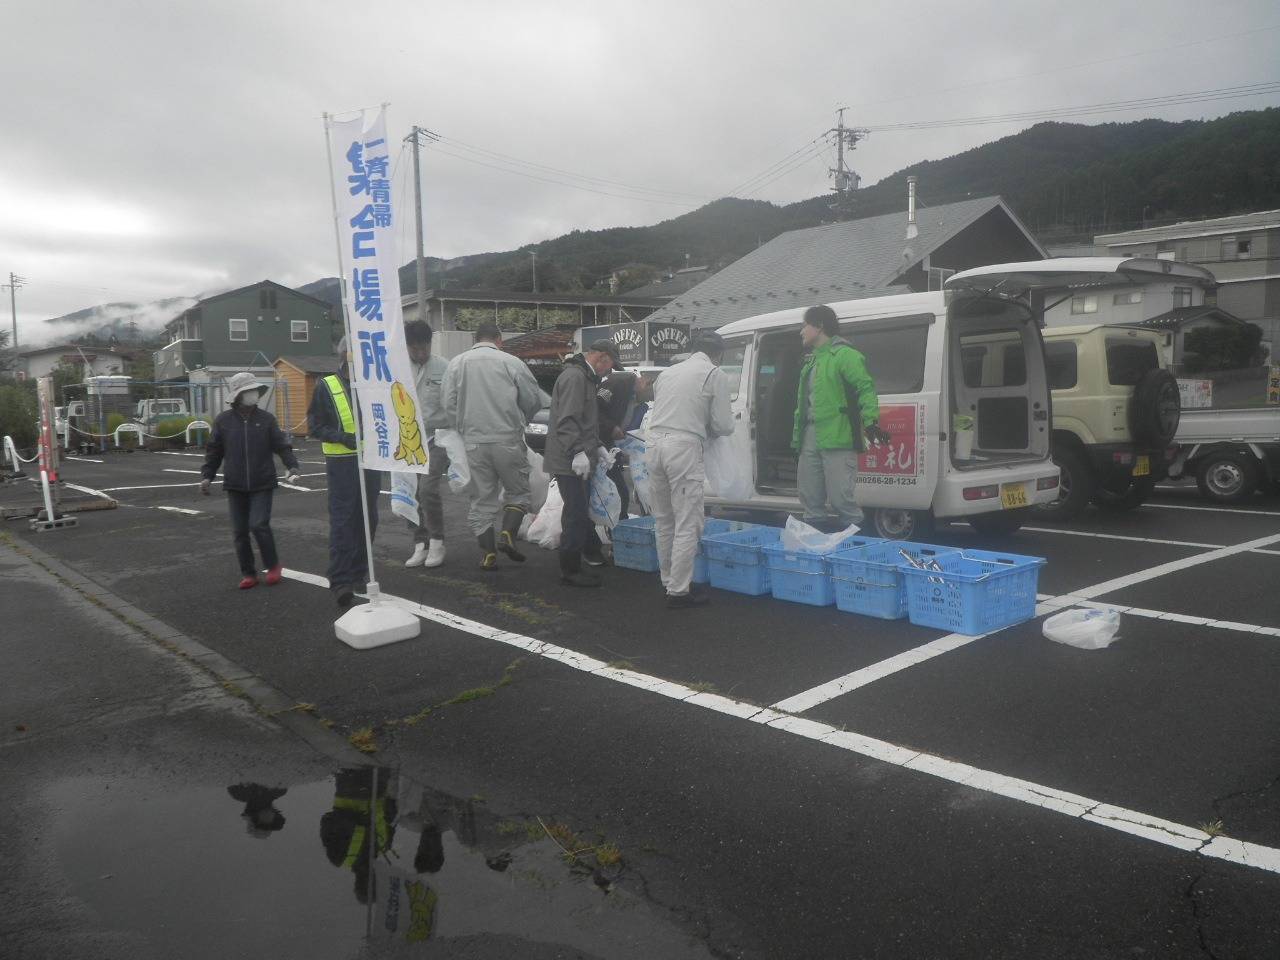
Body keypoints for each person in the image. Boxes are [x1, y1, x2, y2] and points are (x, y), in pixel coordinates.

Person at [442, 321, 545, 570]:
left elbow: (447, 403)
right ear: (499, 339)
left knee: (481, 500)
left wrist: (464, 426)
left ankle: (487, 555)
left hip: (474, 442)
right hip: (508, 438)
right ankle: (507, 533)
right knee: (518, 492)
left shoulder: (457, 363)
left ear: (474, 339)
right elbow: (532, 399)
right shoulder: (511, 362)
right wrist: (522, 418)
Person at [646, 332, 735, 608]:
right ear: (717, 354)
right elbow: (722, 425)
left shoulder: (668, 373)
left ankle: (668, 580)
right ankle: (679, 591)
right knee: (688, 521)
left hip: (653, 445)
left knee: (664, 519)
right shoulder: (714, 374)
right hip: (683, 449)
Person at [792, 304, 890, 528]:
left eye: (804, 325)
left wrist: (871, 422)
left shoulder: (846, 355)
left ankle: (854, 545)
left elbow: (865, 389)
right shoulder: (812, 360)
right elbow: (803, 405)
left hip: (839, 434)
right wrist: (797, 440)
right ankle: (816, 548)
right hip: (811, 435)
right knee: (809, 497)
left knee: (840, 498)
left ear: (819, 326)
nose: (801, 331)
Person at [201, 372, 300, 590]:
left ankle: (273, 566)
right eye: (249, 391)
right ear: (239, 395)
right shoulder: (223, 421)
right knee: (239, 531)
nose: (254, 394)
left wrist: (291, 465)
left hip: (262, 481)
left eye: (255, 390)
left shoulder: (266, 420)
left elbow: (281, 445)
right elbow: (214, 451)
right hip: (235, 484)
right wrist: (207, 475)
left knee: (258, 524)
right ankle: (248, 573)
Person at [308, 337, 383, 608]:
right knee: (343, 520)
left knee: (368, 518)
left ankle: (359, 571)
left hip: (370, 461)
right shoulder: (326, 385)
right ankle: (340, 580)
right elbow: (315, 425)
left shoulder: (373, 384)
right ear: (345, 356)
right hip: (342, 463)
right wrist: (341, 437)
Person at [545, 339, 618, 586]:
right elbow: (567, 421)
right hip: (569, 459)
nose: (607, 372)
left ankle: (580, 560)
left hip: (577, 456)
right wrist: (578, 451)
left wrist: (597, 445)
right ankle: (570, 569)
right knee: (575, 512)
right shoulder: (576, 378)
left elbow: (586, 421)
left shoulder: (584, 376)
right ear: (602, 358)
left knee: (579, 510)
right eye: (609, 366)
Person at [403, 321, 450, 569]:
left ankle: (437, 541)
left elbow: (455, 404)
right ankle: (420, 542)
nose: (420, 353)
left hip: (439, 437)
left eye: (424, 347)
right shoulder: (398, 369)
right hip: (409, 439)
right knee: (410, 492)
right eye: (415, 349)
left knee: (428, 488)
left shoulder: (445, 367)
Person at [596, 369, 653, 521]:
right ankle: (617, 527)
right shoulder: (622, 384)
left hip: (612, 448)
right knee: (619, 492)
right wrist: (611, 427)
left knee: (618, 492)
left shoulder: (640, 405)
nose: (649, 400)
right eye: (649, 395)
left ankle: (616, 526)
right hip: (598, 445)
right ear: (644, 383)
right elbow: (594, 410)